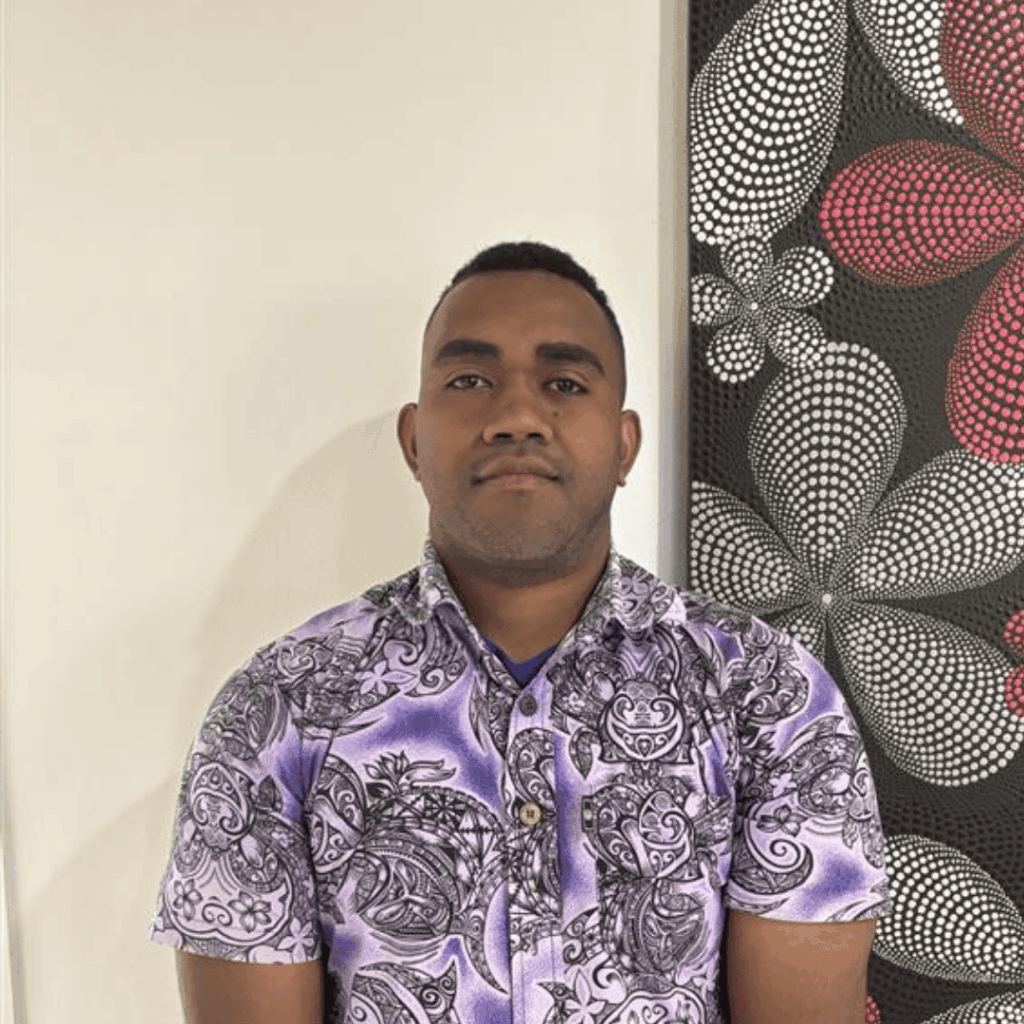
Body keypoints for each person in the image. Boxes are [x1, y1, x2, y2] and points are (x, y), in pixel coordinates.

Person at [150, 241, 889, 1024]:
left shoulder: (769, 698)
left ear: (624, 445)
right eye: (469, 381)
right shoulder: (280, 708)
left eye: (564, 383)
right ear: (413, 441)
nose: (516, 417)